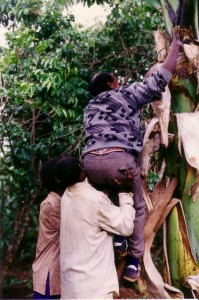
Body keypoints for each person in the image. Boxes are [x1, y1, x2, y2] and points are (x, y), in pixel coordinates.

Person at [82, 35, 182, 282]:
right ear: (112, 84)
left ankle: (119, 240)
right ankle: (134, 263)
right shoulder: (124, 95)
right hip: (120, 163)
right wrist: (176, 47)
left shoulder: (89, 108)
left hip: (91, 165)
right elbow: (161, 79)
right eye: (117, 79)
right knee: (138, 206)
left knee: (110, 197)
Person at [60, 162, 135, 299]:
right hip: (94, 288)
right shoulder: (95, 199)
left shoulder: (66, 196)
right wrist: (125, 193)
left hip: (70, 286)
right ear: (82, 171)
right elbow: (126, 227)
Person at [32, 155, 81, 299]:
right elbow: (77, 227)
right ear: (58, 179)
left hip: (54, 274)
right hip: (49, 275)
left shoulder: (61, 201)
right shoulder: (51, 205)